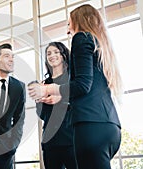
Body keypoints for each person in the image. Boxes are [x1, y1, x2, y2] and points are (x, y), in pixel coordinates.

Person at [28, 4, 122, 169]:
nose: (68, 30)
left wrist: (47, 89)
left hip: (90, 127)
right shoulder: (99, 44)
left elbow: (82, 85)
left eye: (69, 23)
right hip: (109, 128)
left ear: (79, 21)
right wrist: (58, 96)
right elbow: (90, 87)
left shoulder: (81, 38)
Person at [33, 42, 77, 169]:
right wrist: (39, 101)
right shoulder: (44, 84)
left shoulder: (73, 79)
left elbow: (79, 103)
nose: (52, 55)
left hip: (71, 139)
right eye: (48, 53)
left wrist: (60, 99)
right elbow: (42, 115)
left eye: (56, 52)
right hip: (50, 142)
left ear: (63, 55)